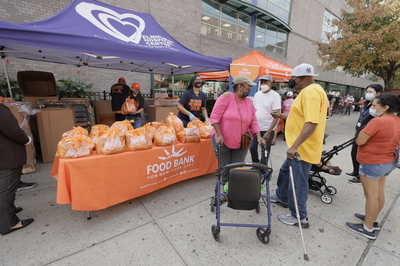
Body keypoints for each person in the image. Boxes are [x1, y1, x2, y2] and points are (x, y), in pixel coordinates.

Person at [269, 63, 327, 228]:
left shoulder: (311, 93)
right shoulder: (311, 91)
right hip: (299, 146)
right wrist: (281, 115)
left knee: (298, 182)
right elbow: (300, 117)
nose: (291, 81)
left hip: (302, 148)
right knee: (285, 172)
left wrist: (295, 147)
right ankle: (282, 196)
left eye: (293, 78)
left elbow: (311, 122)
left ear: (302, 78)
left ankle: (299, 217)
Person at [346, 94, 400, 239]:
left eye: (375, 105)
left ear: (385, 107)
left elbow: (360, 141)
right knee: (378, 194)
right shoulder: (397, 121)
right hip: (388, 162)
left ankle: (367, 228)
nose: (372, 108)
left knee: (371, 196)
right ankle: (372, 219)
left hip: (372, 162)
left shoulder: (378, 122)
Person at [210, 75, 266, 203]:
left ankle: (232, 193)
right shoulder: (226, 97)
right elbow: (214, 118)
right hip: (222, 140)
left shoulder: (249, 102)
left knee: (236, 170)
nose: (250, 89)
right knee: (224, 169)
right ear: (239, 86)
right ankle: (219, 194)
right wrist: (219, 135)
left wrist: (258, 137)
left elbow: (253, 121)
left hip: (241, 142)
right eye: (248, 86)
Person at [0, 102, 34, 235]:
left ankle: (8, 212)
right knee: (6, 190)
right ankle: (10, 223)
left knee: (5, 188)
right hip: (6, 157)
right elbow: (13, 130)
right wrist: (27, 139)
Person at [346, 84, 384, 184]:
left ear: (378, 93)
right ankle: (355, 171)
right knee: (354, 153)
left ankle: (360, 177)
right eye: (367, 92)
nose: (368, 94)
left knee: (361, 155)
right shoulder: (367, 103)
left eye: (370, 92)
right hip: (358, 132)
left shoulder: (378, 106)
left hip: (367, 134)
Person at [249, 75, 281, 162]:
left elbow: (277, 115)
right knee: (252, 148)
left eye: (265, 82)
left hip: (267, 128)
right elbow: (253, 110)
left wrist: (269, 131)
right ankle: (256, 166)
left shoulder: (275, 96)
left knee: (265, 151)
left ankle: (263, 170)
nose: (263, 84)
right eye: (262, 82)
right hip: (256, 128)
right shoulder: (257, 94)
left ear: (270, 83)